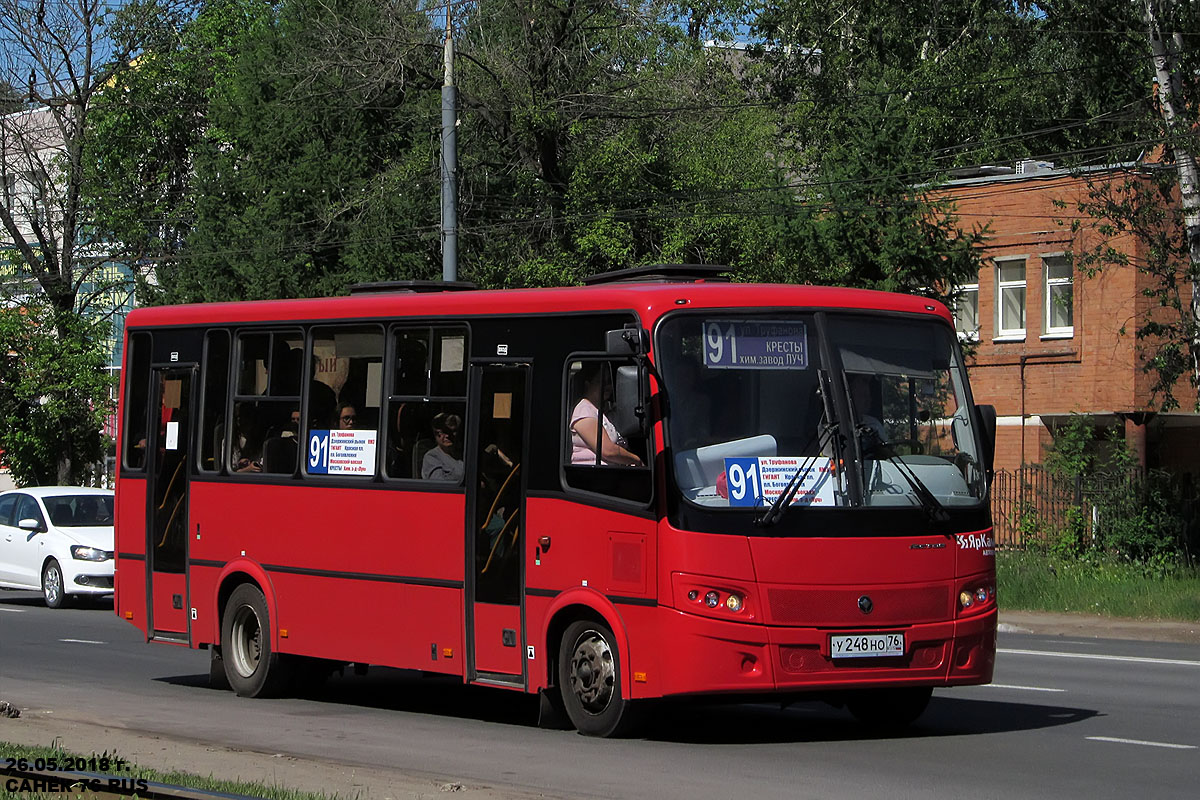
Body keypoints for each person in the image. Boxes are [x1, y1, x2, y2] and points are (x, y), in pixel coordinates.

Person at [570, 363, 643, 466]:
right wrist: (637, 460)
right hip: (595, 477)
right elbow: (608, 451)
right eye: (601, 382)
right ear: (588, 384)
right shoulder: (584, 409)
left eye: (609, 382)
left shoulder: (605, 410)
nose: (607, 386)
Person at [847, 373, 888, 450]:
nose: (867, 391)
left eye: (870, 384)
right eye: (864, 381)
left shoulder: (874, 425)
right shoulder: (833, 429)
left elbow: (885, 453)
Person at [422, 412, 464, 481]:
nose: (447, 436)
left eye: (452, 431)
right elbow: (439, 484)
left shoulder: (464, 454)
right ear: (435, 434)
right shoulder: (431, 457)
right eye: (443, 432)